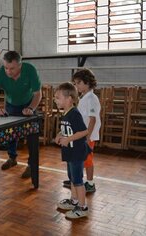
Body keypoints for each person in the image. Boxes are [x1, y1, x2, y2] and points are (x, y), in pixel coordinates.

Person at [0, 51, 42, 178]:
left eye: (12, 68)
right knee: (11, 135)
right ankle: (12, 158)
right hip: (11, 105)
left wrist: (31, 108)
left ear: (20, 65)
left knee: (31, 136)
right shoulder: (1, 73)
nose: (8, 71)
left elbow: (37, 94)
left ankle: (31, 165)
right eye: (6, 67)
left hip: (29, 103)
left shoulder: (30, 70)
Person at [54, 82, 90, 219]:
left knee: (78, 180)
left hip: (77, 152)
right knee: (72, 178)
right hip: (70, 152)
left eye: (58, 97)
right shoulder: (67, 113)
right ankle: (74, 201)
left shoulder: (74, 114)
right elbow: (67, 129)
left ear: (69, 98)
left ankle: (82, 207)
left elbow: (84, 131)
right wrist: (59, 135)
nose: (55, 100)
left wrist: (68, 140)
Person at [63, 68, 101, 193]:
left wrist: (87, 137)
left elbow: (92, 120)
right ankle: (75, 179)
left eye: (78, 83)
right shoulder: (84, 97)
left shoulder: (91, 98)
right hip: (82, 135)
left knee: (87, 159)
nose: (76, 86)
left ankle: (90, 183)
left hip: (87, 136)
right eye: (75, 83)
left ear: (87, 82)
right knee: (79, 159)